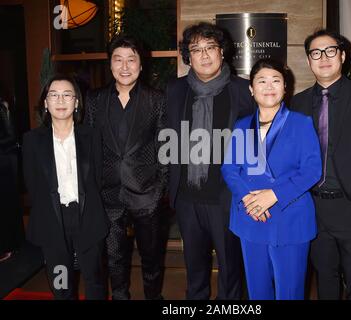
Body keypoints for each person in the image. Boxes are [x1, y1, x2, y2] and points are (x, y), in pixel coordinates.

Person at [291, 29, 351, 300]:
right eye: (316, 53)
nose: (323, 57)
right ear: (309, 61)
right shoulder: (297, 104)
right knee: (325, 280)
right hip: (313, 209)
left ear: (343, 56)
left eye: (330, 51)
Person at [166, 22, 256, 300]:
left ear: (222, 52)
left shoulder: (244, 90)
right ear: (188, 56)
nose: (204, 55)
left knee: (231, 270)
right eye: (196, 50)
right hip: (187, 199)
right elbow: (164, 138)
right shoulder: (175, 90)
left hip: (226, 198)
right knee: (194, 270)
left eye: (210, 48)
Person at [221, 59, 322, 300]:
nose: (269, 86)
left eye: (276, 80)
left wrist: (274, 195)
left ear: (285, 87)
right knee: (257, 291)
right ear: (251, 89)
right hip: (251, 216)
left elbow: (312, 170)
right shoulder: (242, 126)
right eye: (261, 81)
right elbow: (229, 169)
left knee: (290, 292)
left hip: (290, 217)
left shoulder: (301, 123)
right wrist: (248, 199)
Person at [85, 35, 167, 300]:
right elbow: (89, 145)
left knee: (152, 258)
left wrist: (159, 188)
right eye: (118, 60)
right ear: (110, 65)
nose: (124, 66)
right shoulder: (95, 100)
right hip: (107, 195)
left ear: (141, 65)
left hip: (147, 194)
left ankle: (153, 297)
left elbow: (164, 147)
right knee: (114, 259)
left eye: (131, 60)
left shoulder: (156, 99)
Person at [22, 75, 109, 299]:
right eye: (54, 95)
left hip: (87, 216)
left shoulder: (91, 136)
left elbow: (97, 179)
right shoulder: (32, 140)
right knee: (61, 283)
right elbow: (32, 184)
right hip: (52, 220)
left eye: (67, 95)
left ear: (76, 102)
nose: (60, 100)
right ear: (45, 102)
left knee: (95, 280)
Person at [0, 94, 24, 262]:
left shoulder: (3, 106)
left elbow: (12, 136)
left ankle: (9, 246)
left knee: (7, 203)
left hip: (6, 161)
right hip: (7, 158)